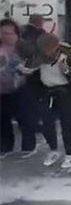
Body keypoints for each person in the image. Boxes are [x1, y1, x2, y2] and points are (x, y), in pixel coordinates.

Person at [20, 33, 71, 168]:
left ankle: (69, 155)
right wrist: (22, 71)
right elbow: (29, 70)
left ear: (56, 47)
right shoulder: (38, 57)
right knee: (46, 124)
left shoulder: (67, 55)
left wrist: (67, 70)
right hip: (47, 92)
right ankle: (53, 150)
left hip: (66, 93)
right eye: (44, 49)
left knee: (67, 124)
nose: (47, 53)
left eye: (49, 49)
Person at [0, 19, 37, 158]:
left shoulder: (24, 48)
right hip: (2, 90)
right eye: (2, 33)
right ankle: (5, 148)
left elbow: (35, 65)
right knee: (3, 119)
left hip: (21, 89)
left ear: (16, 34)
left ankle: (28, 147)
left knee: (25, 119)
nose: (5, 36)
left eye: (8, 33)